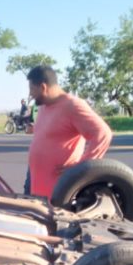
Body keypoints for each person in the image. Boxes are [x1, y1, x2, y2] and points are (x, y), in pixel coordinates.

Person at [25, 66, 112, 197]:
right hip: (36, 185)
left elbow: (103, 134)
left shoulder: (73, 105)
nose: (30, 94)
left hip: (59, 192)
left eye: (32, 89)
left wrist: (81, 169)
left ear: (43, 87)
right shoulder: (43, 106)